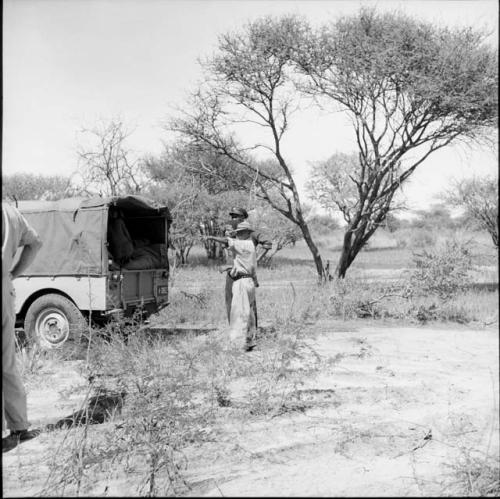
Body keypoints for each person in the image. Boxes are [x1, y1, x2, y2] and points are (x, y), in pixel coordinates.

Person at [2, 202, 43, 452]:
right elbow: (35, 243)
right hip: (4, 287)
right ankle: (19, 425)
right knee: (6, 361)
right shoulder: (10, 212)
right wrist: (13, 273)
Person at [204, 221, 258, 351]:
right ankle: (249, 341)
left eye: (239, 233)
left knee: (238, 314)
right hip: (249, 281)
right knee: (248, 313)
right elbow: (247, 265)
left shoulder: (243, 244)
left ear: (246, 233)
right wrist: (229, 267)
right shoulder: (250, 246)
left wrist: (211, 237)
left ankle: (236, 345)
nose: (237, 235)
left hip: (242, 283)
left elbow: (226, 241)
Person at [225, 207, 272, 327]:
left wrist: (256, 260)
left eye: (237, 216)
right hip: (232, 273)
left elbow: (267, 244)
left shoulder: (251, 233)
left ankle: (252, 333)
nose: (234, 218)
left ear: (243, 217)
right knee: (231, 302)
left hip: (246, 275)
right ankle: (234, 330)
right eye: (232, 216)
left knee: (249, 304)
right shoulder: (231, 233)